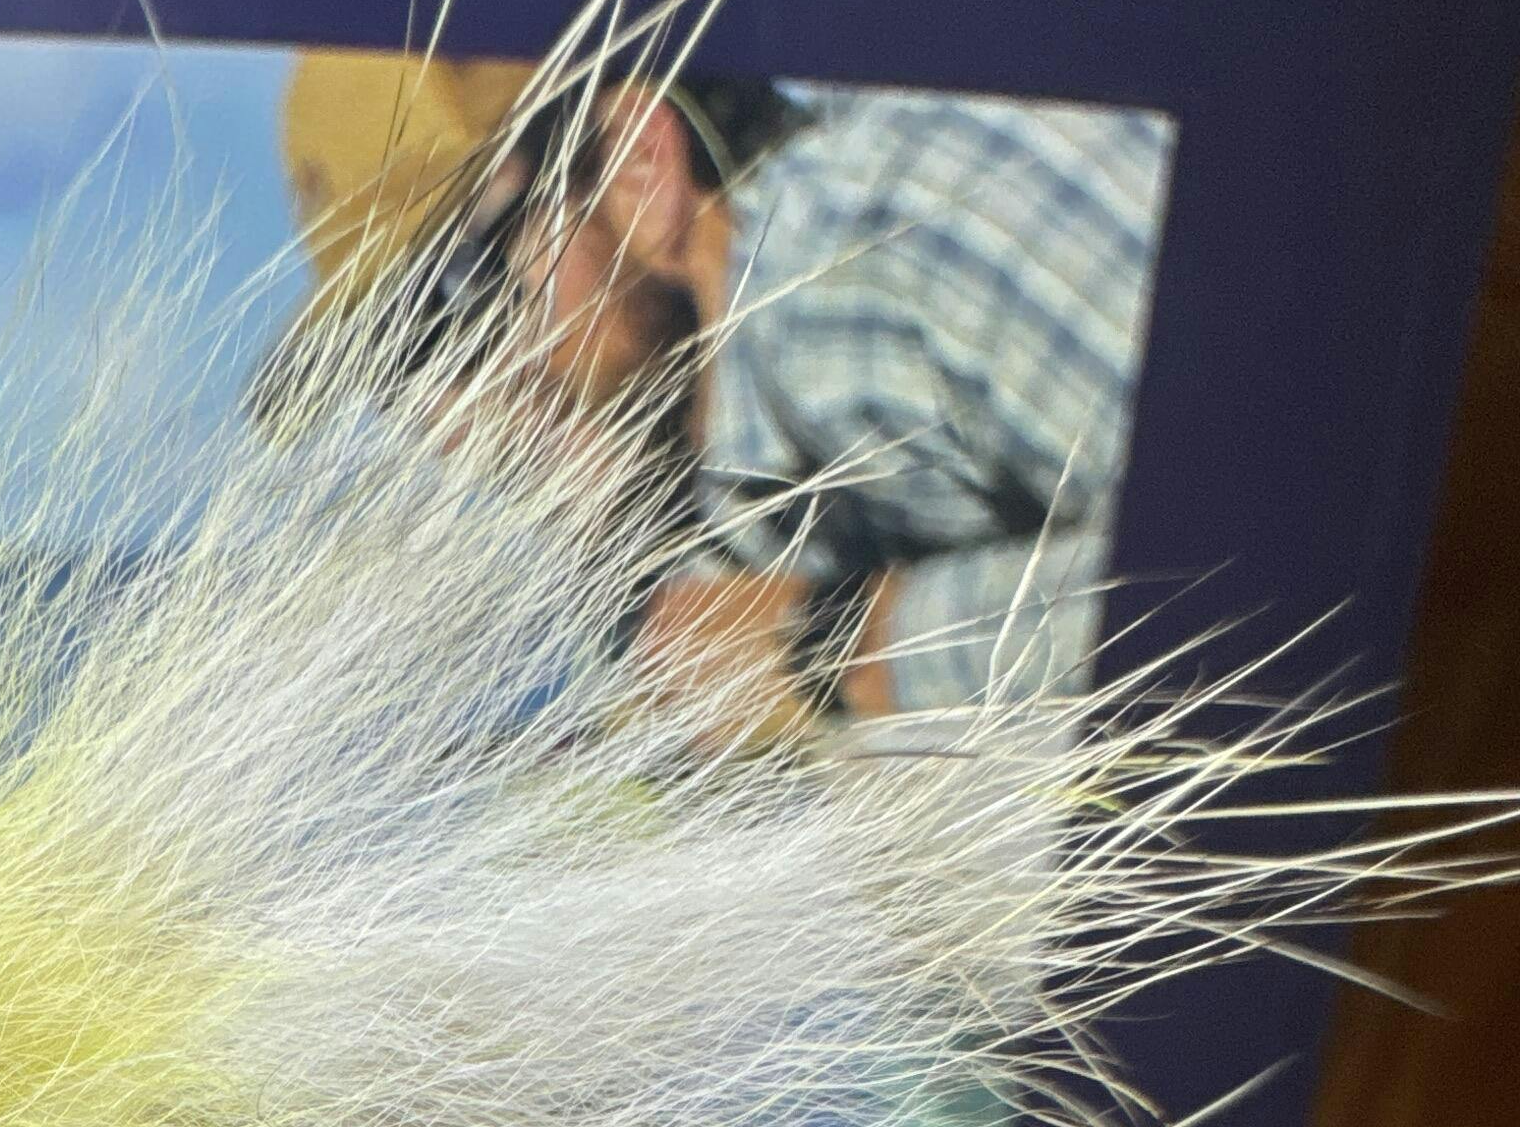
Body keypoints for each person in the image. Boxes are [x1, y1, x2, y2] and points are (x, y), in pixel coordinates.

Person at [279, 47, 1170, 720]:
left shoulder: (925, 221)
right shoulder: (709, 497)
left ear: (637, 164)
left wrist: (837, 648)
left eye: (451, 312)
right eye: (394, 370)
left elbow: (1233, 573)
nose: (446, 417)